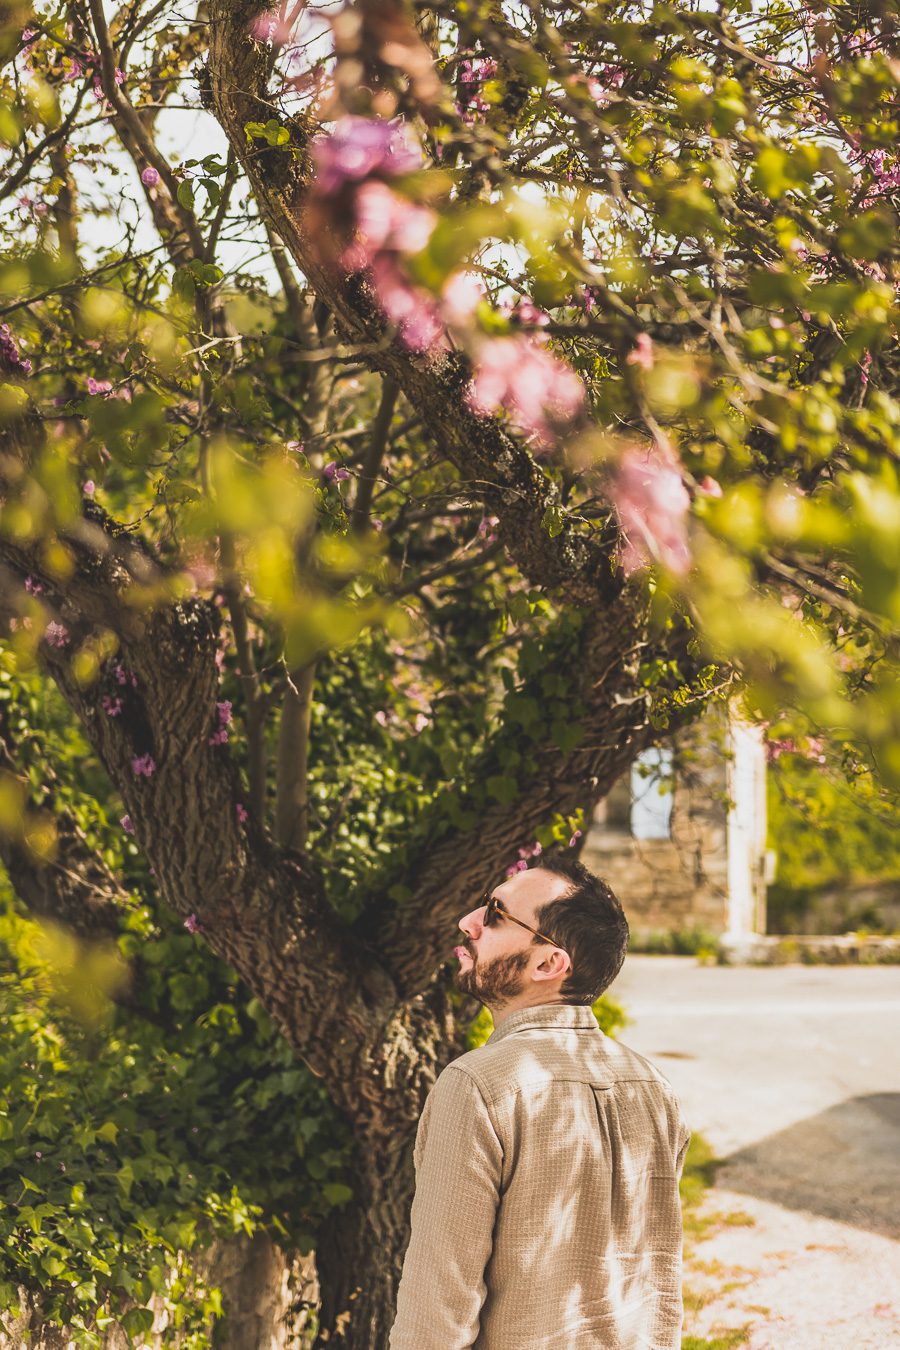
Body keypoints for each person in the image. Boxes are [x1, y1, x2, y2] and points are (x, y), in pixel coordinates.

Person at [389, 856, 691, 1350]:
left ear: (548, 964)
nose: (468, 922)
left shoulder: (477, 1086)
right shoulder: (654, 1088)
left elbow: (437, 1312)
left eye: (494, 914)